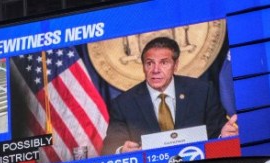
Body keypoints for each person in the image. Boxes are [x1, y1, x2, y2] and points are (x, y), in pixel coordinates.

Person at [102, 37, 238, 155]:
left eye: (164, 62)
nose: (155, 70)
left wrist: (223, 136)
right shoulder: (123, 104)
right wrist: (122, 151)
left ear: (175, 65)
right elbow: (111, 147)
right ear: (143, 67)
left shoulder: (202, 92)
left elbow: (216, 133)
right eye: (149, 63)